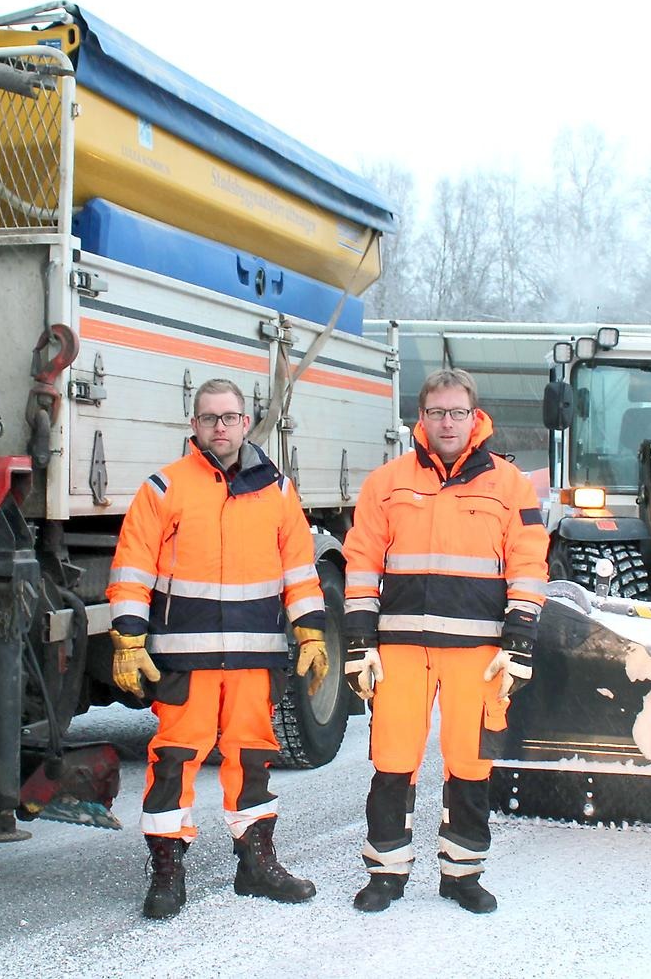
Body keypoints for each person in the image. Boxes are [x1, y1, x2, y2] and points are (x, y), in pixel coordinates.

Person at [106, 378, 331, 920]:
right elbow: (131, 570)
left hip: (255, 658)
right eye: (209, 419)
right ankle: (167, 869)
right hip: (186, 659)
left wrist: (312, 632)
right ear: (194, 426)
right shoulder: (164, 489)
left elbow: (300, 571)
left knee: (252, 757)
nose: (220, 427)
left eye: (229, 417)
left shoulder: (278, 491)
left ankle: (256, 863)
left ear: (246, 423)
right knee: (175, 759)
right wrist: (129, 639)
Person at [341, 368, 549, 914]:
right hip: (401, 650)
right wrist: (360, 641)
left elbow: (528, 565)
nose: (447, 422)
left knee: (470, 762)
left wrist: (520, 640)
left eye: (457, 412)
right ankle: (386, 873)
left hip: (478, 653)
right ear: (422, 417)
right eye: (437, 413)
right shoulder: (385, 483)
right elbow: (361, 563)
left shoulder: (510, 484)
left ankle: (462, 875)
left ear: (475, 417)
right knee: (392, 759)